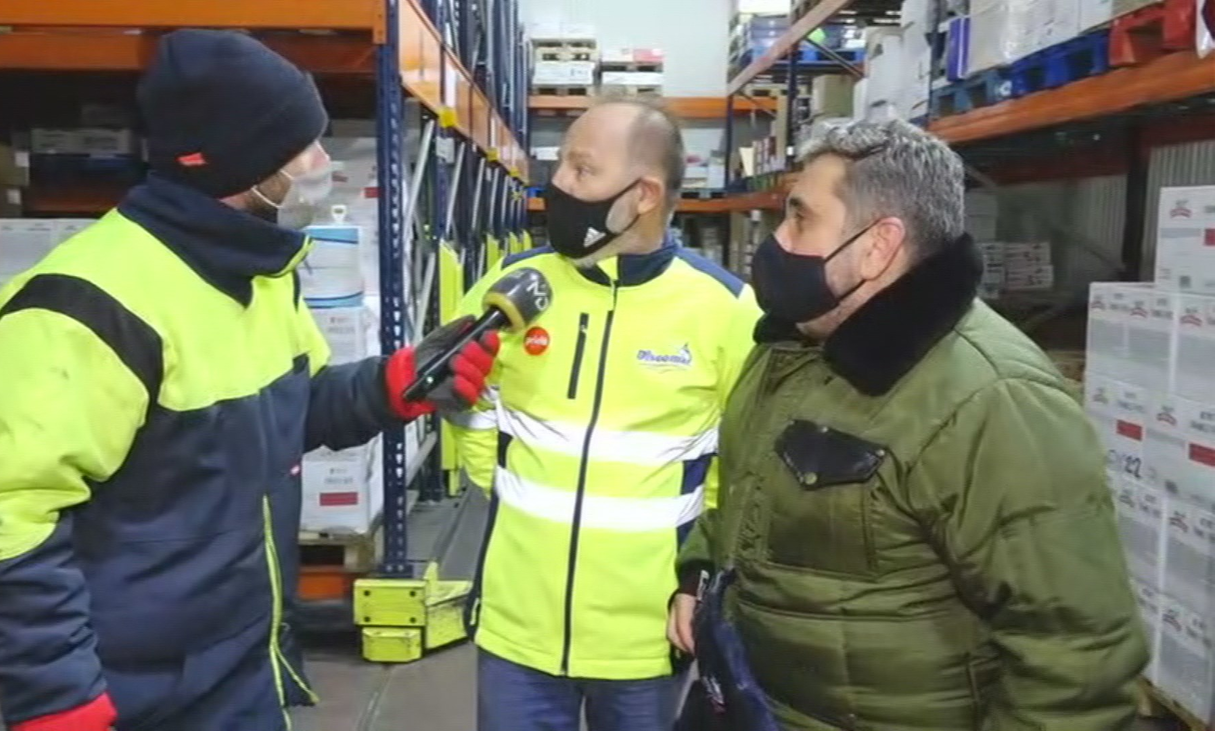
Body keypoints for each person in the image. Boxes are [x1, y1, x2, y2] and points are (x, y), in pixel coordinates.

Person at [0, 30, 498, 731]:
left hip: (242, 668)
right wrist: (58, 698)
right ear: (240, 164)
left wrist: (398, 383)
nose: (322, 164)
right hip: (129, 696)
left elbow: (294, 405)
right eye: (304, 148)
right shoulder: (85, 305)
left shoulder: (252, 274)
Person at [670, 118, 1149, 730]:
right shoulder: (790, 347)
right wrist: (700, 574)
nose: (777, 241)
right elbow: (746, 493)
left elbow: (1076, 659)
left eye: (799, 219)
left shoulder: (993, 401)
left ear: (877, 246)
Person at [449, 98, 761, 731]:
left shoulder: (726, 310)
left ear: (642, 195)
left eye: (582, 169)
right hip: (517, 629)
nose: (558, 184)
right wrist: (511, 503)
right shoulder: (511, 287)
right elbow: (471, 409)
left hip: (645, 638)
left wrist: (698, 578)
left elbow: (745, 464)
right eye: (562, 163)